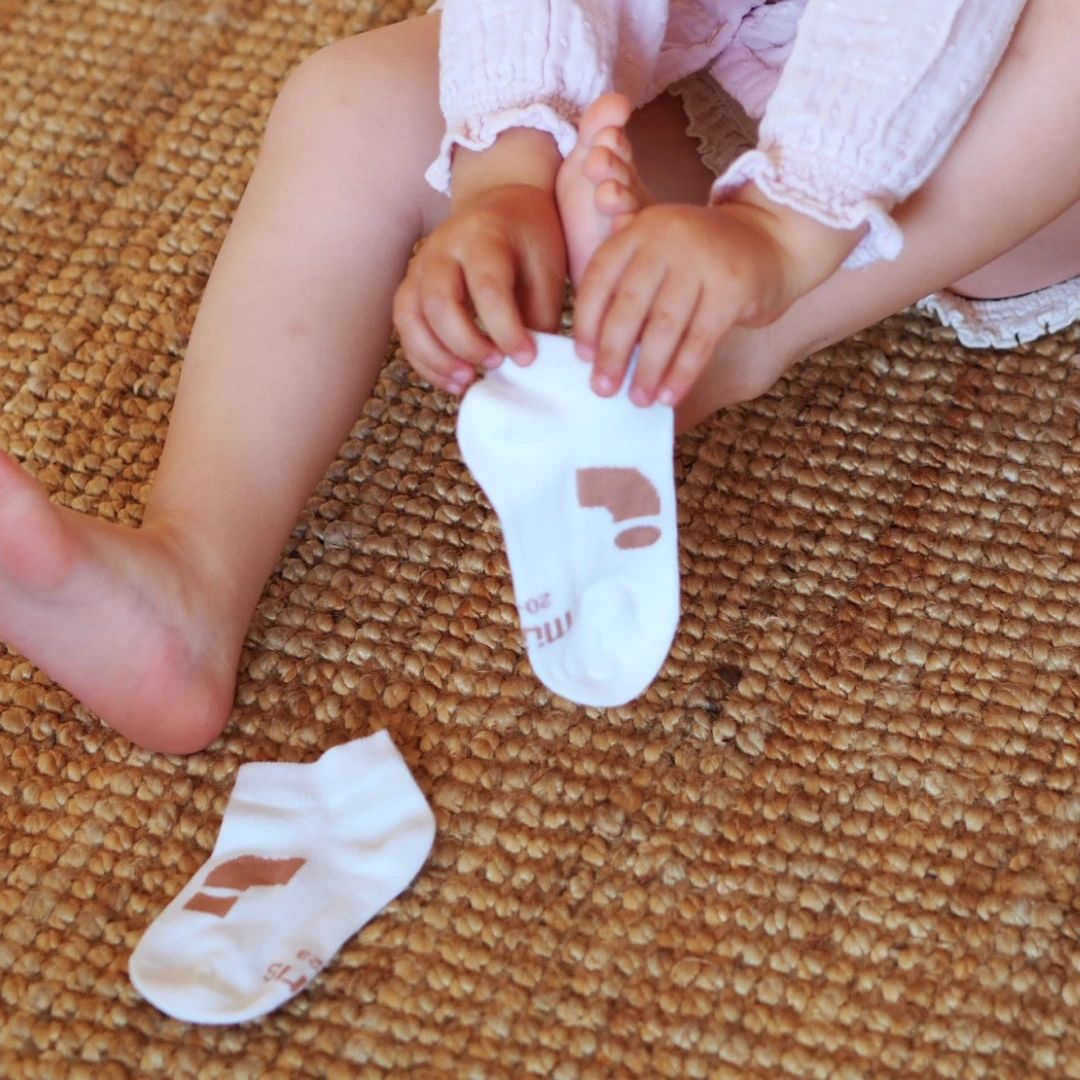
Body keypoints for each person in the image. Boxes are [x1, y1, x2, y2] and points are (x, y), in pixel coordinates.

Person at [0, 0, 1077, 754]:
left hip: (993, 150)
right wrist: (505, 168)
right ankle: (191, 580)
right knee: (348, 101)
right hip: (740, 72)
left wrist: (784, 228)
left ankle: (744, 339)